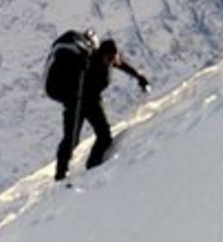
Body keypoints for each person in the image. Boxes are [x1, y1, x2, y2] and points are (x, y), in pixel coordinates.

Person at [46, 29, 150, 181]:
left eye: (113, 58)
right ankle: (61, 174)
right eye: (110, 58)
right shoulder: (87, 62)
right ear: (102, 54)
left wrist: (139, 76)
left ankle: (93, 166)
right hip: (76, 100)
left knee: (104, 135)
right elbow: (80, 79)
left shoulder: (106, 58)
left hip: (90, 99)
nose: (112, 62)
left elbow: (122, 65)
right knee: (72, 139)